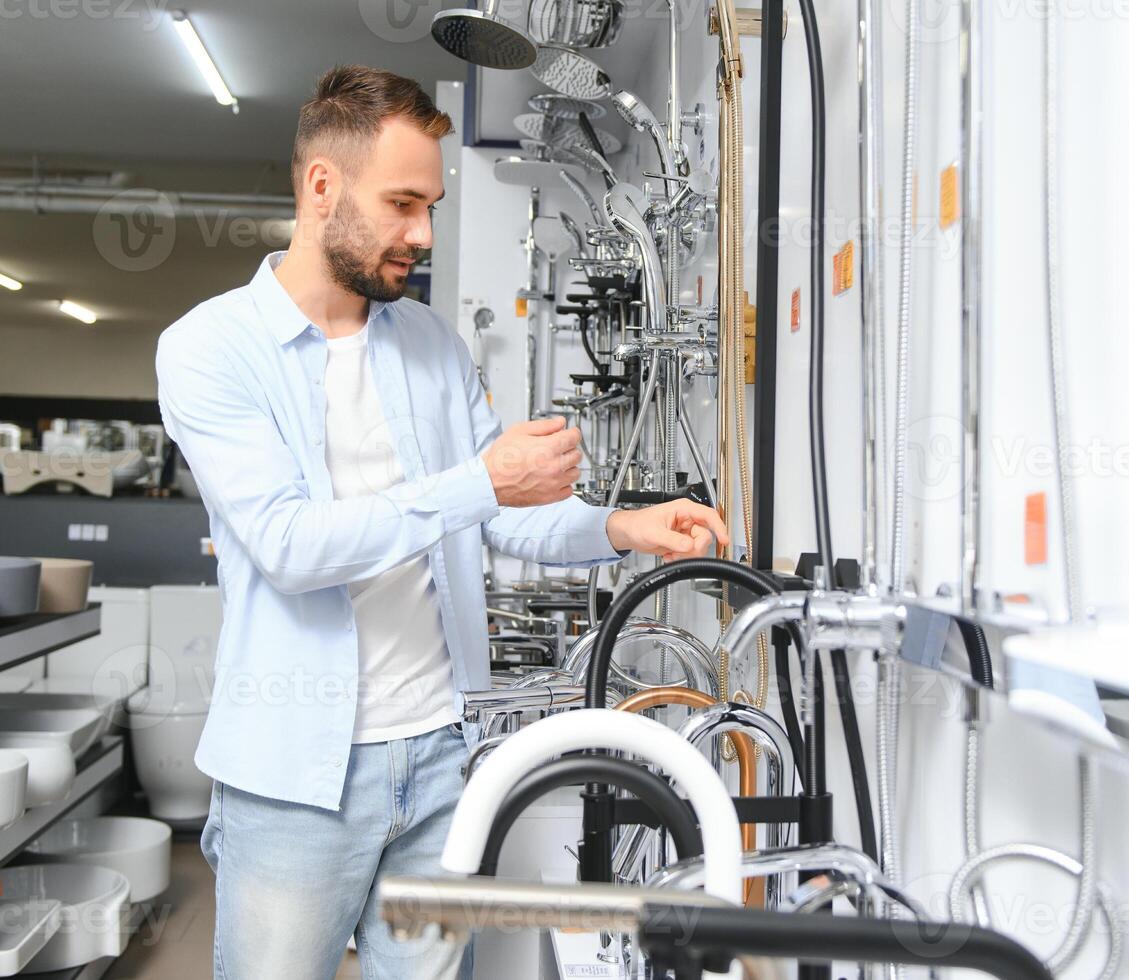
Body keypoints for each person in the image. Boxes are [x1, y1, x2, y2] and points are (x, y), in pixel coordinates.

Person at [154, 64, 728, 980]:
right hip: (295, 777)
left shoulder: (425, 342)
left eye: (433, 207)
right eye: (403, 204)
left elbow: (504, 520)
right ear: (321, 187)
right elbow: (292, 548)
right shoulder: (208, 350)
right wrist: (480, 482)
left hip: (439, 758)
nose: (422, 235)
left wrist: (623, 528)